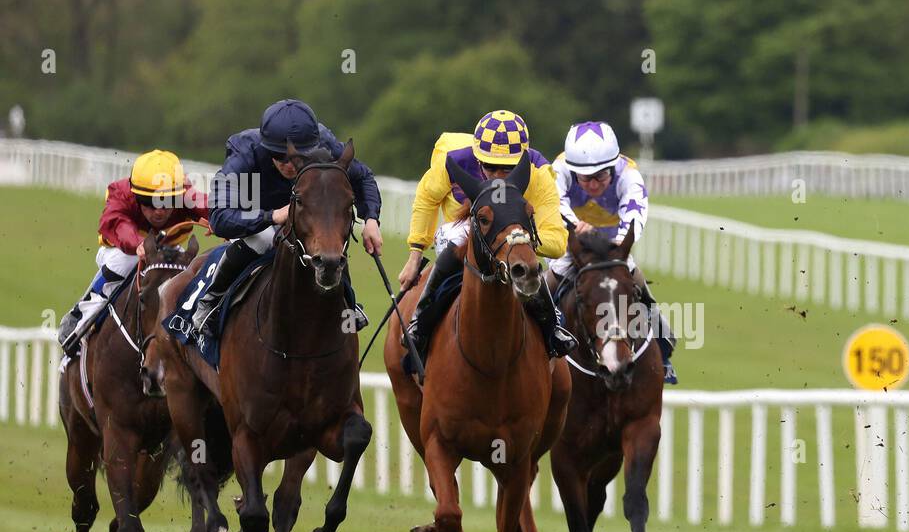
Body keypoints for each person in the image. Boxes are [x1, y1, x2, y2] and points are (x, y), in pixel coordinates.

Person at [397, 110, 576, 370]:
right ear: (477, 158)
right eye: (490, 167)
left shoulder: (538, 173)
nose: (498, 177)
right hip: (466, 228)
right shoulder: (453, 162)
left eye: (508, 169)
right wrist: (415, 254)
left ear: (522, 162)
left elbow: (557, 242)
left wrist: (517, 240)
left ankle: (553, 329)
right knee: (456, 239)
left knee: (530, 266)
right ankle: (419, 323)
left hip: (513, 238)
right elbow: (427, 197)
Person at [190, 99, 382, 340]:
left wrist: (371, 219)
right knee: (262, 239)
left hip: (303, 214)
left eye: (300, 157)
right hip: (257, 213)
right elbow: (220, 218)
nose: (290, 165)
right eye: (281, 157)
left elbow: (362, 177)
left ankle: (348, 303)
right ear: (267, 148)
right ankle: (210, 302)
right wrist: (272, 216)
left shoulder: (326, 146)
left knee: (330, 237)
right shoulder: (244, 154)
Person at [549, 120, 677, 384]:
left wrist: (614, 251)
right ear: (574, 170)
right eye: (585, 178)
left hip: (613, 245)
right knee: (547, 282)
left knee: (636, 283)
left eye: (601, 176)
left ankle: (663, 348)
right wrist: (576, 228)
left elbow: (633, 220)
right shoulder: (558, 169)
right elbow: (553, 204)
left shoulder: (629, 175)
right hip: (570, 241)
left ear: (613, 166)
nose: (594, 184)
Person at [57, 149, 208, 357]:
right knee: (125, 260)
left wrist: (222, 221)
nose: (159, 211)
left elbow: (210, 206)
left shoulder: (185, 193)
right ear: (135, 196)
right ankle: (80, 316)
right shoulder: (121, 193)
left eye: (167, 201)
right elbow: (115, 221)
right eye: (149, 202)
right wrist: (138, 243)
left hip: (167, 251)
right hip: (120, 250)